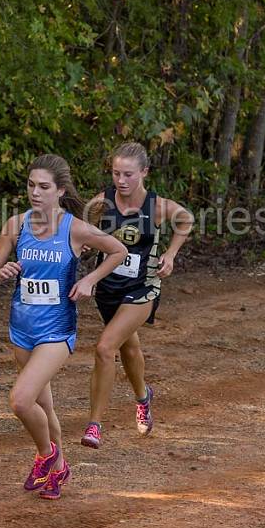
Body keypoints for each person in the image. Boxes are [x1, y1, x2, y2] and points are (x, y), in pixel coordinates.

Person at [0, 154, 126, 500]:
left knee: (20, 401)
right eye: (31, 185)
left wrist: (90, 280)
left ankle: (48, 457)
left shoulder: (74, 228)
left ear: (60, 190)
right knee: (43, 408)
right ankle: (57, 469)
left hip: (56, 332)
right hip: (21, 329)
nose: (35, 192)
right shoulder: (15, 225)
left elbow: (118, 250)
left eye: (44, 187)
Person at [80, 142, 193, 449]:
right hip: (108, 289)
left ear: (144, 172)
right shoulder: (102, 202)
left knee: (105, 348)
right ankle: (143, 396)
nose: (121, 180)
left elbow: (186, 220)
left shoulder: (156, 206)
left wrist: (170, 254)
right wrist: (88, 245)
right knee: (128, 349)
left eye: (128, 174)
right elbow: (82, 230)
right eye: (116, 173)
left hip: (143, 288)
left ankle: (94, 425)